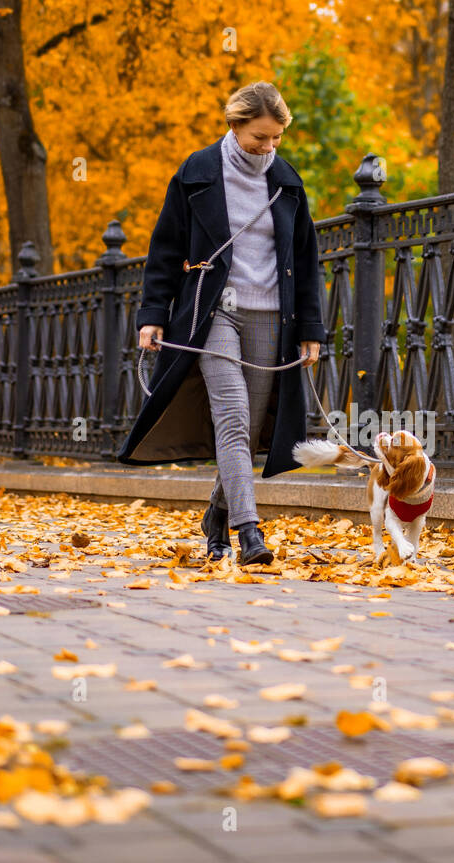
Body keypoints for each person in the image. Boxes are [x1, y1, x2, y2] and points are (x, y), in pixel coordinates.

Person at [116, 81, 327, 565]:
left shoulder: (288, 182)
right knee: (231, 417)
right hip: (212, 312)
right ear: (234, 125)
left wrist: (311, 330)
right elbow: (166, 248)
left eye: (276, 138)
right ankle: (249, 531)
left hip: (272, 314)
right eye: (259, 137)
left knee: (249, 432)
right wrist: (153, 315)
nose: (268, 148)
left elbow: (306, 261)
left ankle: (215, 515)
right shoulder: (198, 172)